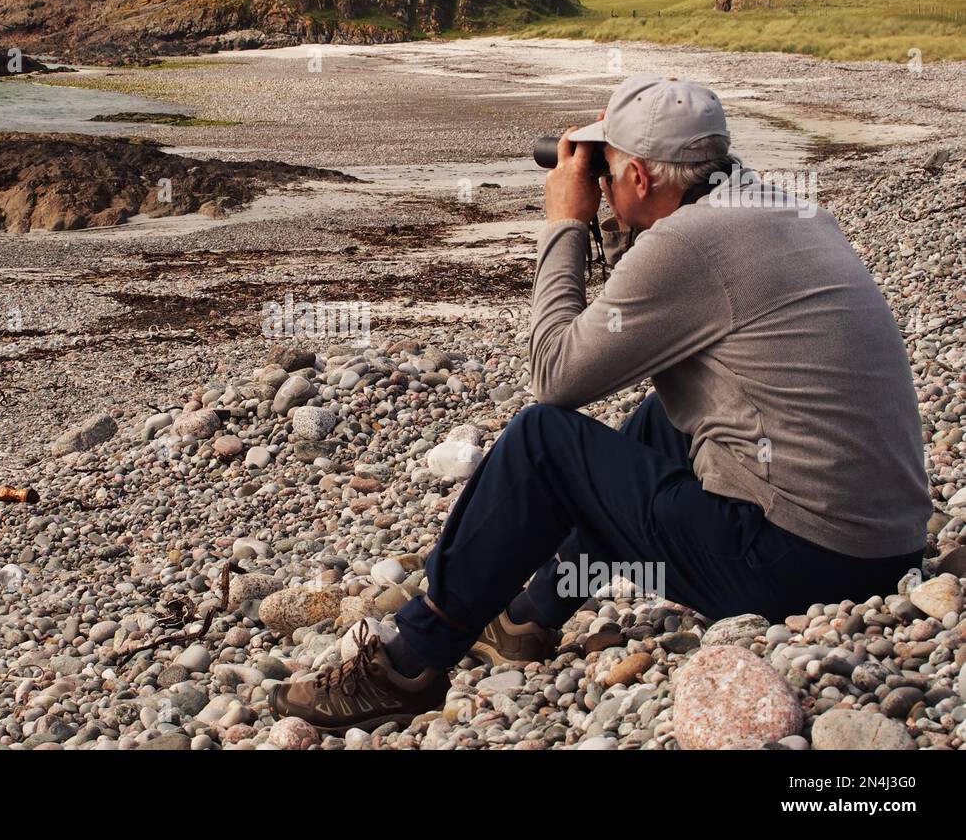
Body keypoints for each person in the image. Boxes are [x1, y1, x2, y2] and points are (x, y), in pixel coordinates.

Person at [270, 74, 931, 733]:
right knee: (662, 420)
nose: (595, 179)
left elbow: (556, 375)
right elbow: (645, 326)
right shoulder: (783, 210)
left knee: (542, 442)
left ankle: (410, 660)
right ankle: (530, 615)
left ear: (640, 177)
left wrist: (566, 223)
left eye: (606, 167)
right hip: (884, 550)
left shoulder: (690, 243)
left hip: (795, 564)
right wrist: (619, 216)